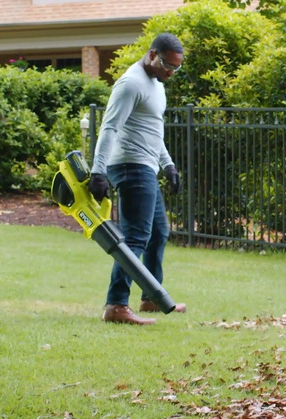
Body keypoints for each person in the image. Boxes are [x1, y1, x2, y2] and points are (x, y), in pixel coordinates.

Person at [88, 32, 187, 325]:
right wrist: (98, 171)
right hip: (130, 166)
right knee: (135, 237)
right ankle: (116, 305)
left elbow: (152, 129)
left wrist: (167, 164)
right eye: (168, 65)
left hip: (146, 165)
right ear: (152, 54)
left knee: (158, 233)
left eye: (177, 68)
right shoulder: (131, 84)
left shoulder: (157, 84)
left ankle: (150, 297)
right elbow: (109, 128)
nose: (171, 72)